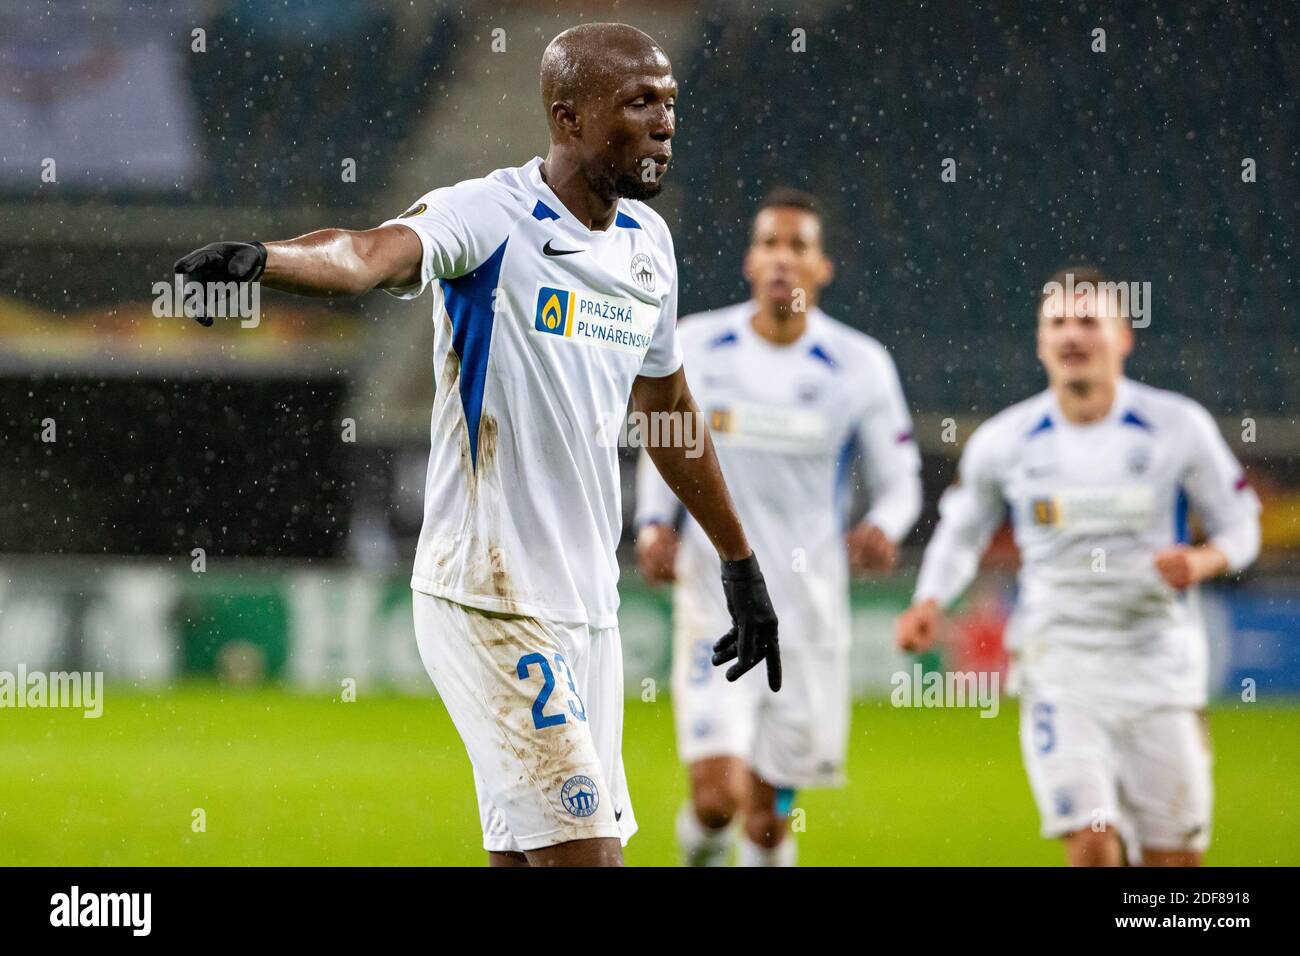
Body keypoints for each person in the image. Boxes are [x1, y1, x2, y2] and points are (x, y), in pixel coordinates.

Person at [173, 22, 781, 868]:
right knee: (588, 859)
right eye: (638, 103)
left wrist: (738, 561)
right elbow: (370, 255)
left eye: (670, 103)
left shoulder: (650, 247)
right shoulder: (491, 215)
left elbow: (670, 412)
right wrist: (264, 260)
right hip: (488, 594)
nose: (663, 122)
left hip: (587, 606)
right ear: (568, 118)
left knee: (524, 858)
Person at [896, 266, 1261, 866]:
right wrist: (929, 601)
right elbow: (961, 533)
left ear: (1124, 336)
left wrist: (1204, 559)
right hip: (1059, 668)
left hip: (1158, 669)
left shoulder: (1177, 427)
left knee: (1175, 866)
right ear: (1041, 342)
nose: (1072, 335)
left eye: (1089, 321)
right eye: (1058, 322)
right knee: (1092, 845)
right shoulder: (1007, 439)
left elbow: (1241, 523)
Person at [635, 189, 922, 865]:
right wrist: (653, 522)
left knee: (768, 819)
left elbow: (902, 480)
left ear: (822, 268)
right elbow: (666, 437)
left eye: (798, 247)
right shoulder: (699, 344)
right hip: (716, 603)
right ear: (749, 260)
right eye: (770, 244)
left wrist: (884, 525)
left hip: (808, 617)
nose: (782, 260)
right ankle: (700, 851)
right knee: (717, 799)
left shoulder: (860, 365)